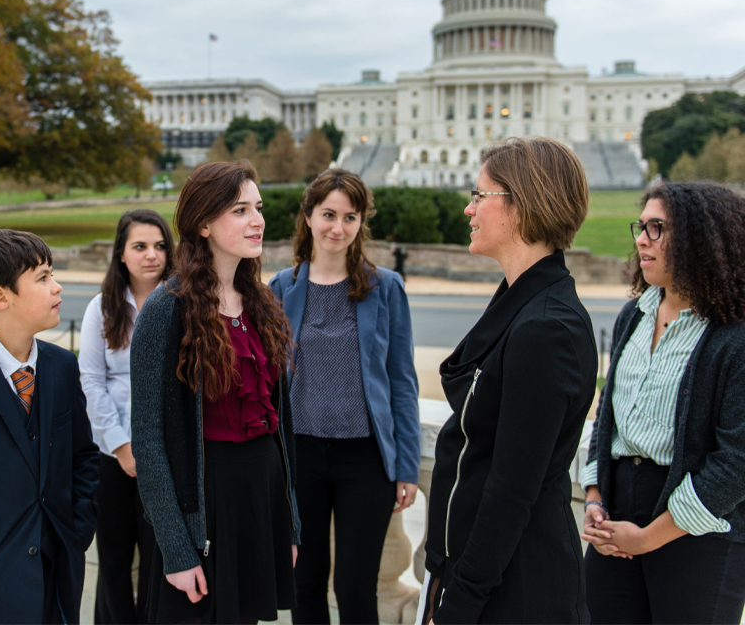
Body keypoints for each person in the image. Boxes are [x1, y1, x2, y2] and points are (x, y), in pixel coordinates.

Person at [420, 137, 598, 624]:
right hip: (484, 576)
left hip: (518, 589)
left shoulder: (547, 328)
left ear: (521, 205)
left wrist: (460, 602)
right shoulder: (521, 303)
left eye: (480, 196)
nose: (468, 209)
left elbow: (511, 490)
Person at [130, 160, 300, 624]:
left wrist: (290, 523)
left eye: (258, 208)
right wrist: (176, 549)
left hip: (260, 497)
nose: (258, 220)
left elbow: (281, 430)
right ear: (203, 223)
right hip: (204, 503)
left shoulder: (263, 303)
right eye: (240, 209)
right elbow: (147, 439)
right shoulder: (167, 310)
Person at [580, 181, 745, 624]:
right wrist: (594, 498)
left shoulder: (734, 335)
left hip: (698, 528)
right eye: (642, 226)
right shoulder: (633, 315)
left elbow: (736, 463)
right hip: (617, 518)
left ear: (701, 240)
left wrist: (650, 537)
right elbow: (607, 418)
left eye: (658, 228)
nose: (640, 239)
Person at [269, 167, 420, 625]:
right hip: (302, 459)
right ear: (309, 217)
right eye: (329, 215)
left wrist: (407, 465)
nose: (338, 227)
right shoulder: (280, 289)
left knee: (355, 590)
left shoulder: (386, 288)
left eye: (350, 217)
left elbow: (401, 381)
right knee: (304, 586)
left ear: (360, 223)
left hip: (366, 461)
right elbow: (271, 387)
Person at [0, 229, 99, 624]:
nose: (57, 286)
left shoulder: (63, 367)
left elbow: (83, 457)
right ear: (1, 297)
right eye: (43, 277)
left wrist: (76, 531)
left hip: (57, 588)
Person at [79, 210, 175, 623]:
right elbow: (91, 380)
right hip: (112, 455)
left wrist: (148, 449)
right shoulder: (102, 308)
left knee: (159, 558)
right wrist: (120, 445)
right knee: (115, 560)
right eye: (140, 246)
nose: (151, 255)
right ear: (121, 254)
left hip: (166, 454)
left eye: (159, 246)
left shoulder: (180, 305)